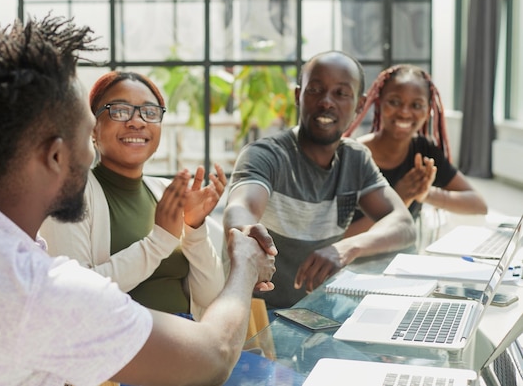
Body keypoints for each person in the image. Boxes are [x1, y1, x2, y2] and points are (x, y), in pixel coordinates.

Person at [0, 14, 276, 386]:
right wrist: (243, 262)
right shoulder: (40, 293)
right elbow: (211, 359)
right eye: (88, 130)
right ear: (56, 155)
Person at [223, 50, 416, 311]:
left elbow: (403, 224)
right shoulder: (265, 155)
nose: (326, 102)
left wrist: (347, 248)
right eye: (315, 90)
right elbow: (241, 207)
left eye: (341, 93)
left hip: (321, 314)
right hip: (260, 318)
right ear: (298, 97)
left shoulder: (355, 159)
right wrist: (244, 230)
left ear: (359, 105)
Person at [40, 71, 226, 321]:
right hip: (118, 350)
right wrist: (158, 243)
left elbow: (209, 296)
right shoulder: (69, 196)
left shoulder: (164, 192)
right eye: (119, 110)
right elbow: (76, 296)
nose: (136, 122)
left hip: (185, 342)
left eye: (150, 112)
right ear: (93, 127)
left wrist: (194, 228)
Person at [343, 64, 487, 237]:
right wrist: (401, 198)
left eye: (416, 105)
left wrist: (425, 193)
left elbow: (479, 205)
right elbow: (342, 238)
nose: (404, 113)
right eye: (394, 102)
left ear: (428, 112)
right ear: (379, 103)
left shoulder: (423, 151)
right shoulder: (353, 155)